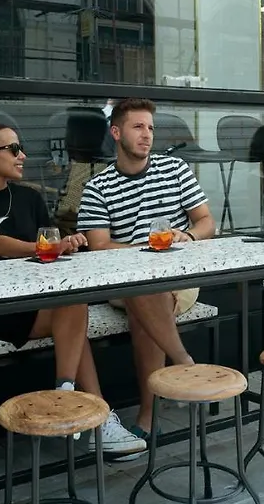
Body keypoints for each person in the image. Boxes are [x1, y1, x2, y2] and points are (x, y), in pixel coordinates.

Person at [0, 120, 146, 459]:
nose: (22, 155)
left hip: (39, 298)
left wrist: (68, 243)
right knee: (72, 314)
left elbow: (49, 242)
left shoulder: (29, 197)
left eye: (20, 148)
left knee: (73, 302)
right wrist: (45, 247)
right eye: (13, 149)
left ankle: (68, 393)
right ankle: (97, 417)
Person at [76, 98, 216, 450]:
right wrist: (145, 252)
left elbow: (206, 222)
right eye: (138, 127)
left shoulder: (175, 170)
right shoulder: (98, 187)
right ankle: (183, 362)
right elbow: (98, 246)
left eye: (151, 128)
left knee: (145, 307)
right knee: (142, 285)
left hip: (179, 276)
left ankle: (148, 417)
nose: (147, 135)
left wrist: (189, 236)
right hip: (123, 280)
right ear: (116, 132)